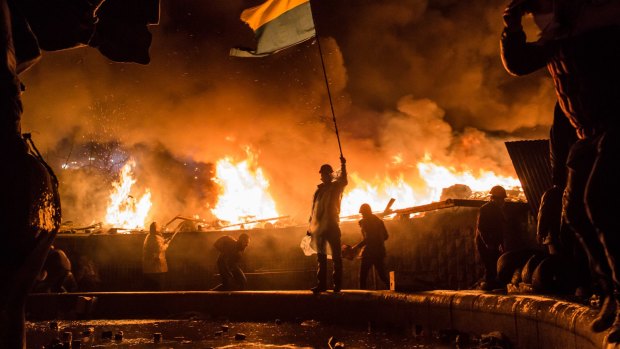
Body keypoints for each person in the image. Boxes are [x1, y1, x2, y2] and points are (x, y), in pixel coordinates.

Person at [501, 0, 620, 340]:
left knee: (597, 201)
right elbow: (519, 63)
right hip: (587, 134)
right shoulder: (557, 37)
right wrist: (511, 28)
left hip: (615, 125)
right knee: (574, 215)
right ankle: (608, 292)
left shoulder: (600, 26)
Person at [307, 156, 347, 293]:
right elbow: (314, 211)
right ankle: (322, 285)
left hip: (332, 226)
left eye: (324, 174)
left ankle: (337, 285)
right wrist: (310, 228)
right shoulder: (319, 191)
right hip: (320, 229)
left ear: (329, 175)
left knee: (336, 256)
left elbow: (344, 180)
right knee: (321, 257)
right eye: (321, 174)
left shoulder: (336, 187)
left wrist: (343, 165)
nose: (322, 176)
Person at [475, 185, 508, 291]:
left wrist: (501, 244)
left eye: (503, 199)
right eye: (500, 199)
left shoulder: (498, 210)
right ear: (494, 198)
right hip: (486, 243)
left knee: (495, 264)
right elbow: (481, 227)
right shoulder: (485, 209)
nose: (502, 201)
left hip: (494, 242)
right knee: (490, 266)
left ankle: (493, 286)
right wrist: (487, 242)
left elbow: (500, 229)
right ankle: (489, 288)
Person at [353, 203, 390, 290]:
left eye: (362, 213)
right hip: (379, 252)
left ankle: (361, 296)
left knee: (363, 276)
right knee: (382, 275)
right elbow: (386, 236)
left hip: (369, 253)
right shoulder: (379, 221)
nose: (362, 215)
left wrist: (356, 247)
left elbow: (368, 239)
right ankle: (394, 291)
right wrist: (378, 241)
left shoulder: (366, 222)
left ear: (365, 212)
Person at [142, 222, 171, 291]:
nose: (160, 227)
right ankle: (159, 300)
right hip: (156, 268)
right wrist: (167, 244)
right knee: (159, 288)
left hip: (152, 268)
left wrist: (165, 240)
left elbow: (158, 243)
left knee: (153, 288)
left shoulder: (151, 236)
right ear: (156, 229)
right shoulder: (154, 237)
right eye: (158, 226)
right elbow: (160, 249)